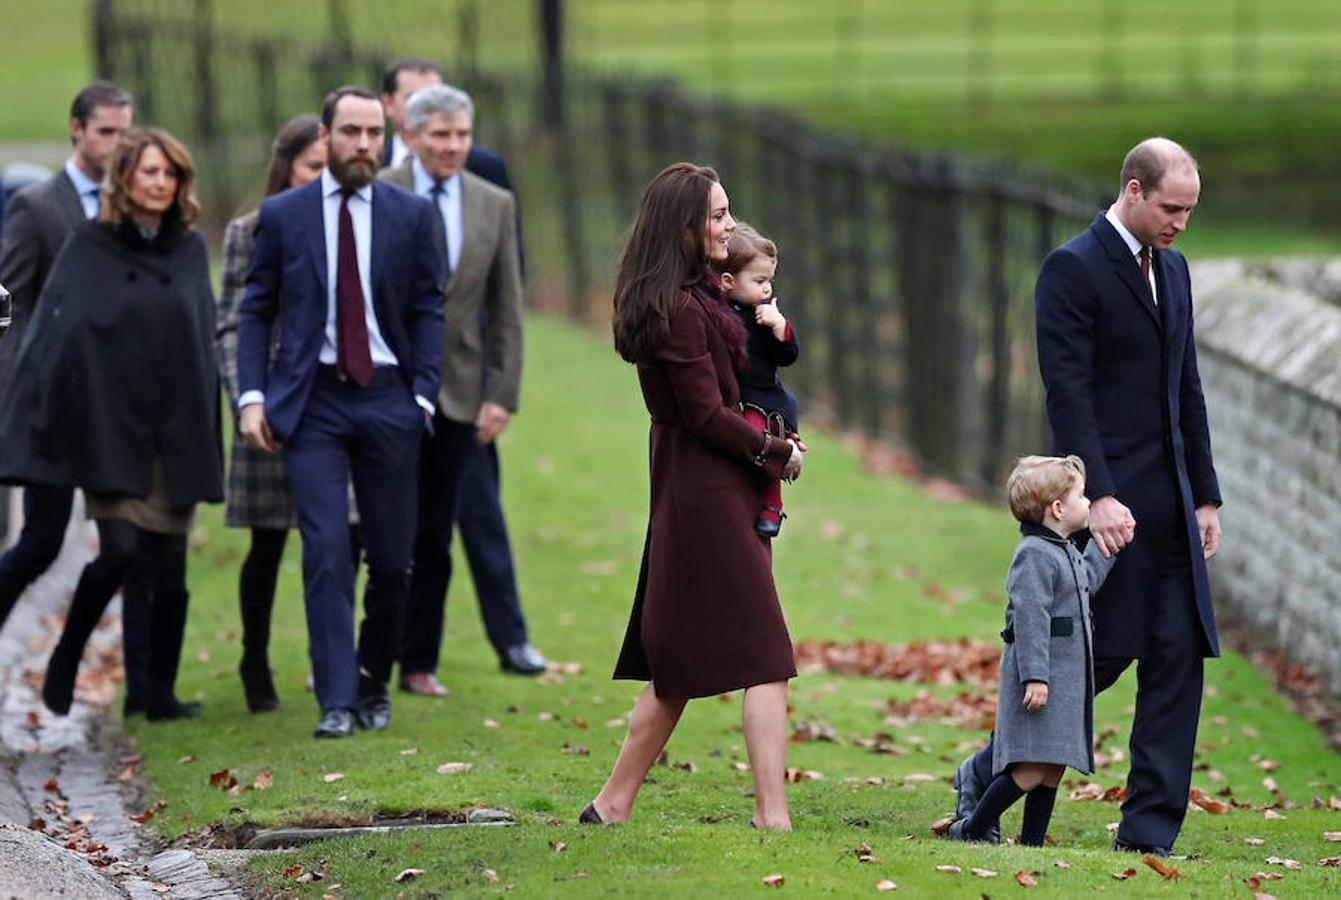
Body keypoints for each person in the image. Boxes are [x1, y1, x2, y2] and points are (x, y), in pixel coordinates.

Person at [950, 137, 1222, 856]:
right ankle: (984, 775)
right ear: (1132, 191)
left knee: (1176, 659)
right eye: (1170, 208)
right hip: (1109, 512)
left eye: (1189, 211)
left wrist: (1206, 497)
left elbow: (1184, 388)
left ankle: (1147, 835)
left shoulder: (1177, 270)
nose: (1180, 224)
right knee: (1091, 661)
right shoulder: (1070, 269)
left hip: (1174, 507)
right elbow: (1066, 393)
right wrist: (1097, 496)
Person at [581, 163, 804, 831]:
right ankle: (772, 817)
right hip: (701, 490)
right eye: (716, 214)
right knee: (766, 655)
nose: (728, 224)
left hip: (711, 485)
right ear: (683, 227)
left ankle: (611, 803)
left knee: (677, 661)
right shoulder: (678, 310)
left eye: (727, 211)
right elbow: (706, 416)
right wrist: (776, 452)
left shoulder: (698, 294)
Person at [236, 86, 446, 739]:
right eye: (350, 132)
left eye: (372, 133)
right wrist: (252, 396)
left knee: (389, 560)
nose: (362, 144)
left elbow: (428, 309)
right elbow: (255, 310)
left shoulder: (411, 216)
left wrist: (421, 396)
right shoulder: (284, 215)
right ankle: (333, 699)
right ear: (325, 138)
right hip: (313, 401)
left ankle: (370, 683)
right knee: (326, 549)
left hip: (388, 396)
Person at [0, 127, 223, 721]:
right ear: (125, 178)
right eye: (148, 172)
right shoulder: (89, 244)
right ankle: (66, 654)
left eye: (169, 174)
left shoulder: (191, 248)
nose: (159, 183)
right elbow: (58, 335)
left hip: (174, 432)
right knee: (122, 550)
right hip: (111, 431)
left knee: (170, 568)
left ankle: (157, 695)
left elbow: (201, 340)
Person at [381, 83, 532, 695]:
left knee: (437, 532)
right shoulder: (381, 190)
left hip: (462, 391)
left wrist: (502, 394)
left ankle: (419, 662)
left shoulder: (492, 202)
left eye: (461, 135)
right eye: (440, 135)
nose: (452, 146)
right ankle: (363, 655)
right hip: (386, 384)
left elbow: (508, 306)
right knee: (379, 528)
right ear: (413, 136)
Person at [0, 82, 136, 645]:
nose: (117, 144)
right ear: (77, 130)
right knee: (39, 543)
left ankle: (138, 683)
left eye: (125, 133)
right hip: (51, 403)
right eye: (106, 132)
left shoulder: (136, 205)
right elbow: (6, 298)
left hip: (116, 407)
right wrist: (15, 384)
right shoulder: (36, 206)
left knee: (133, 545)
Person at [216, 114, 327, 713]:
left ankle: (328, 661)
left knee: (337, 541)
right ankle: (254, 659)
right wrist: (248, 397)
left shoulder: (351, 225)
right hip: (270, 404)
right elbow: (232, 322)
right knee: (267, 543)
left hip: (336, 404)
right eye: (311, 167)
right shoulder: (251, 230)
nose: (320, 179)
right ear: (285, 168)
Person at [948, 455, 1117, 844]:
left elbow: (1085, 582)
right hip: (1042, 678)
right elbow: (1029, 619)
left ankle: (1032, 844)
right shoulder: (1034, 555)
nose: (1089, 502)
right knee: (1028, 768)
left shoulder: (1064, 548)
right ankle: (972, 830)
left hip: (1065, 678)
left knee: (1053, 767)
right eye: (1081, 496)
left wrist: (1107, 548)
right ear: (1058, 509)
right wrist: (1035, 677)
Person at [709, 223, 799, 538]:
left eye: (769, 281)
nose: (767, 290)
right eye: (759, 281)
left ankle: (772, 503)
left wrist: (780, 328)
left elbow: (786, 356)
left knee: (765, 440)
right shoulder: (714, 313)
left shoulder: (763, 316)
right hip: (736, 396)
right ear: (728, 281)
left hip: (763, 397)